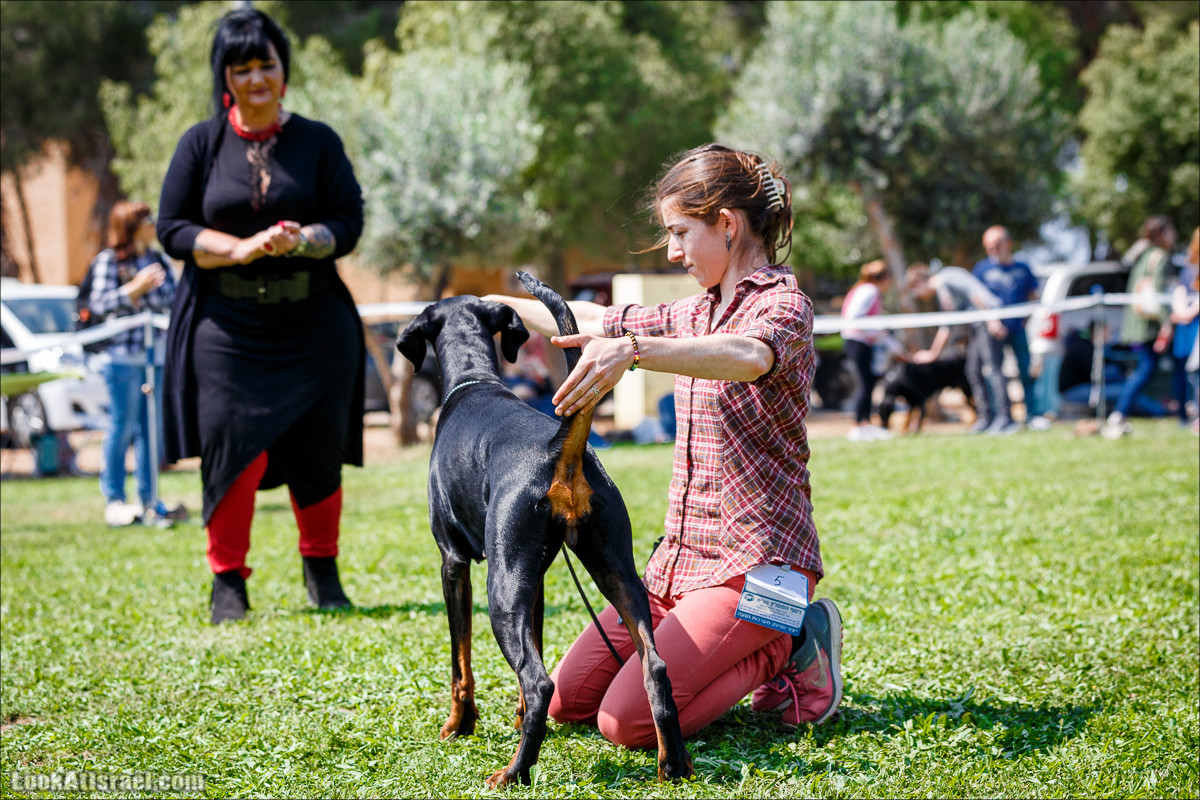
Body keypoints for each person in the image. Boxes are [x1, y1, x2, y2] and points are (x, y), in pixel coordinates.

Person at [486, 143, 843, 746]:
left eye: (680, 233)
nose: (672, 251)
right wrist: (492, 306)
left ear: (726, 224)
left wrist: (635, 351)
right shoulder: (693, 312)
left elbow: (750, 356)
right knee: (565, 701)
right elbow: (591, 319)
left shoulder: (784, 305)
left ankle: (787, 640)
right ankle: (734, 640)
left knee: (625, 723)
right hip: (676, 566)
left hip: (757, 567)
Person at [157, 8, 365, 624]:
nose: (255, 78)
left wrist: (302, 239)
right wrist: (239, 249)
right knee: (232, 447)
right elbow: (172, 228)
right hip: (226, 330)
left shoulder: (318, 141)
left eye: (265, 64)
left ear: (283, 70)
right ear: (225, 75)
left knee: (317, 450)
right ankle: (228, 582)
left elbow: (348, 223)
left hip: (313, 327)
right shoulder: (201, 143)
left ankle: (322, 572)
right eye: (241, 67)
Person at [86, 200, 186, 527]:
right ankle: (114, 500)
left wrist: (145, 293)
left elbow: (172, 298)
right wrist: (133, 290)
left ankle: (150, 500)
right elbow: (98, 303)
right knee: (122, 426)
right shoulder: (108, 261)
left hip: (153, 357)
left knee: (151, 430)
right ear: (130, 225)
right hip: (120, 359)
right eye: (146, 220)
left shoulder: (156, 259)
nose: (153, 225)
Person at [907, 264, 1017, 434]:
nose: (918, 296)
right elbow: (947, 325)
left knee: (992, 369)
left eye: (915, 291)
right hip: (976, 327)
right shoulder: (943, 293)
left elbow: (974, 292)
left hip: (986, 321)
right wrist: (933, 353)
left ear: (920, 282)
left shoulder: (948, 276)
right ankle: (985, 418)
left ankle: (1005, 419)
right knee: (973, 370)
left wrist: (991, 318)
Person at [1104, 216, 1177, 439]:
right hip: (1150, 325)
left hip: (1137, 323)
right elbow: (1159, 293)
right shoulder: (1159, 257)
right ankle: (1119, 413)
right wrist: (1167, 324)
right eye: (1171, 230)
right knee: (1147, 369)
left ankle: (1121, 413)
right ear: (1162, 234)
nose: (1174, 235)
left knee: (1146, 369)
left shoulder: (1142, 256)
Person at [972, 226, 1048, 430]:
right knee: (994, 373)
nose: (991, 250)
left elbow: (1033, 296)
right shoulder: (982, 269)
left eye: (995, 245)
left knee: (1026, 371)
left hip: (1018, 330)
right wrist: (992, 321)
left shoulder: (1023, 268)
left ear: (1008, 243)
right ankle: (1001, 417)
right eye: (987, 247)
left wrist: (1026, 319)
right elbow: (976, 297)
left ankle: (1033, 415)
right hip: (993, 331)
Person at [840, 259, 909, 441]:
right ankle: (859, 425)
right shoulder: (869, 290)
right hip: (858, 342)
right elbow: (855, 317)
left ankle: (865, 423)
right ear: (885, 278)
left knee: (867, 382)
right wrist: (878, 333)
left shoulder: (863, 289)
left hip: (860, 342)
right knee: (864, 383)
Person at [1168, 227, 1199, 433]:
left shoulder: (1189, 268)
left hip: (1188, 323)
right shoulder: (1190, 268)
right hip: (1191, 325)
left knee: (1189, 372)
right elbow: (1179, 291)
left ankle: (1190, 417)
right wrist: (1185, 312)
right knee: (1187, 372)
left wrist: (1183, 312)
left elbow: (1179, 292)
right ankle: (1188, 416)